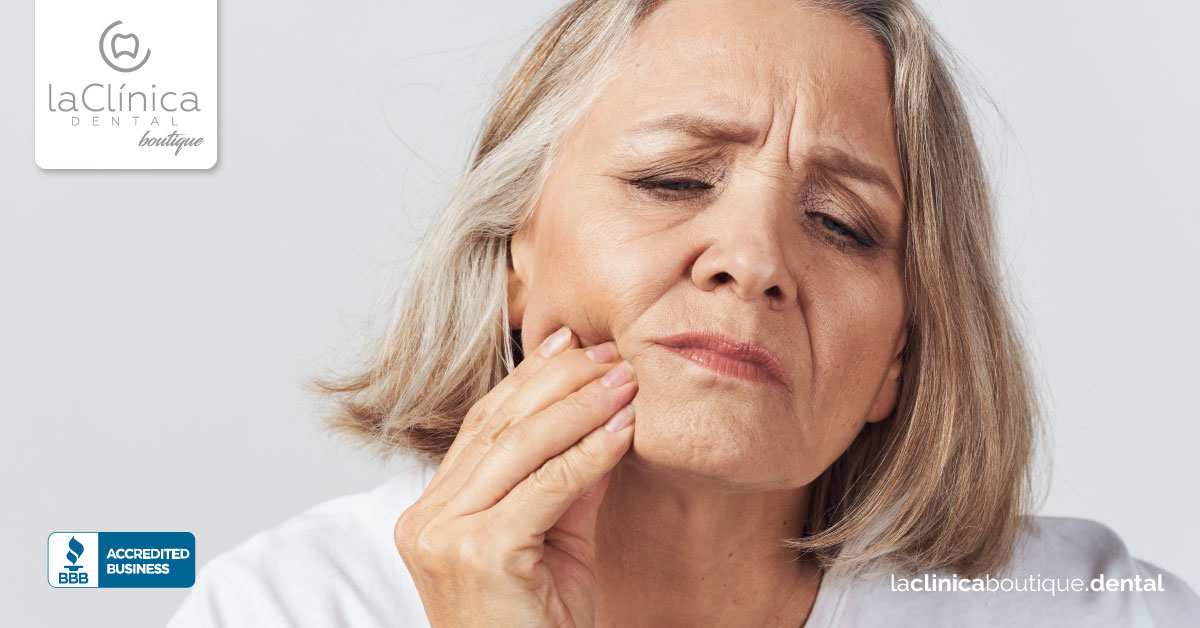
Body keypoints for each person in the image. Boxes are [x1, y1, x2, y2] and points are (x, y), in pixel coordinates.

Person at [167, 0, 1200, 626]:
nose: (753, 262)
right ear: (514, 260)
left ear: (899, 357)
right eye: (670, 179)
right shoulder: (285, 608)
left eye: (841, 224)